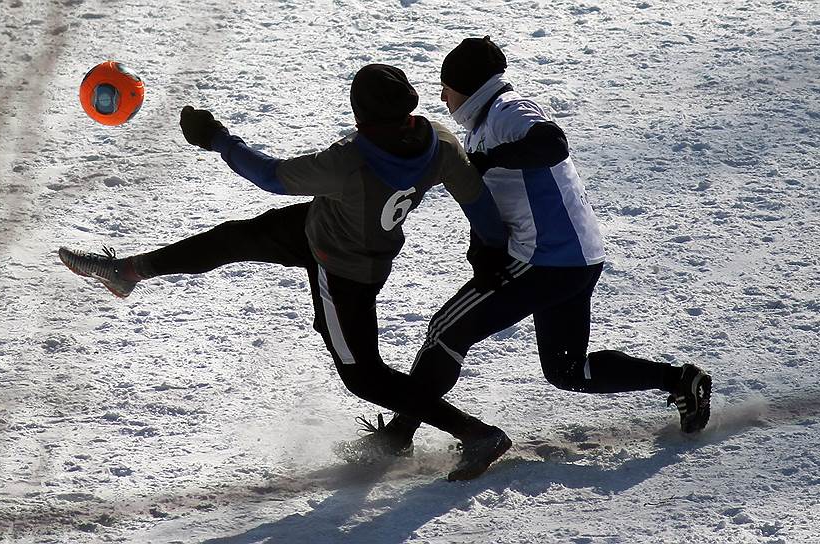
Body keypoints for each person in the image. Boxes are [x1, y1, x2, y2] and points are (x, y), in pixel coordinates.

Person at [58, 64, 512, 481]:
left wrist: (217, 137)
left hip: (345, 269)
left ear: (362, 115)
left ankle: (474, 433)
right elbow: (477, 201)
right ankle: (129, 271)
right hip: (325, 228)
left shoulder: (350, 161)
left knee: (363, 375)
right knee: (232, 238)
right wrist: (491, 251)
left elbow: (271, 177)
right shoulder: (439, 141)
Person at [341, 38, 712, 474]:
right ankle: (678, 380)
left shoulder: (507, 110)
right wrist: (482, 244)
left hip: (545, 259)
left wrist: (488, 161)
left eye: (447, 87)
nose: (442, 97)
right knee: (568, 369)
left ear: (468, 85)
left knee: (446, 329)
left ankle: (399, 436)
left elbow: (553, 143)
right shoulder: (485, 122)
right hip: (577, 259)